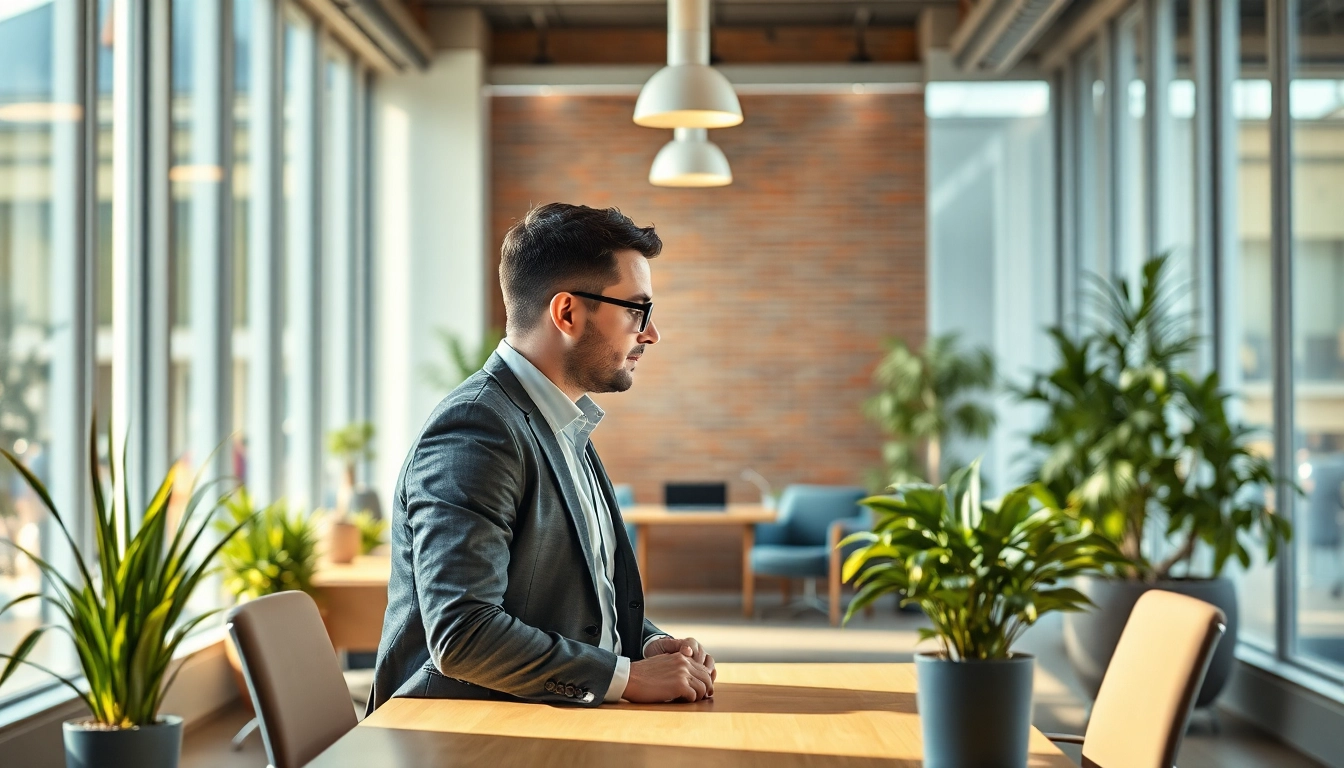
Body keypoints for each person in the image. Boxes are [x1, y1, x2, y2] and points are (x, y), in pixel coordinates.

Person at [368, 203, 716, 711]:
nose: (650, 333)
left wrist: (646, 646)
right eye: (635, 310)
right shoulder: (477, 429)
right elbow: (463, 636)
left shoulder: (563, 421)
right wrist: (625, 679)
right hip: (459, 735)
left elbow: (574, 599)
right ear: (568, 313)